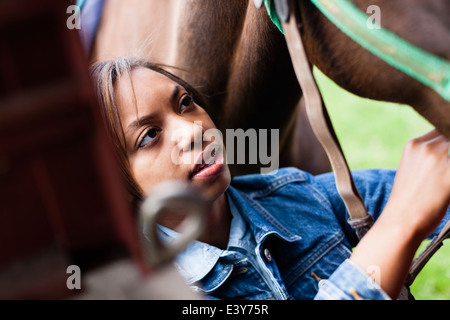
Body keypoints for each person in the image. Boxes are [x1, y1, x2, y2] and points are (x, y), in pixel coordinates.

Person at [90, 57, 450, 300]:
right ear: (115, 184)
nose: (192, 130)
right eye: (149, 135)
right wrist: (398, 228)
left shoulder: (298, 194)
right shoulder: (147, 290)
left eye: (185, 103)